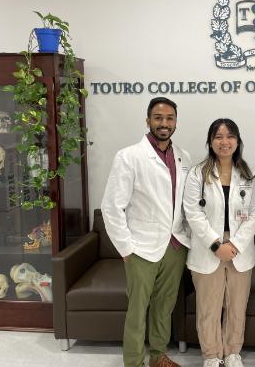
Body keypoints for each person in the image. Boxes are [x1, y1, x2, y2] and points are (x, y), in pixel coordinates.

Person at [101, 97, 191, 367]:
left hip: (175, 246)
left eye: (170, 118)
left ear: (175, 121)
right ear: (148, 120)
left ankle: (157, 356)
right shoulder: (129, 156)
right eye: (158, 118)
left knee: (165, 306)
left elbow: (185, 204)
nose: (164, 123)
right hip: (140, 247)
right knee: (138, 310)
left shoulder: (183, 157)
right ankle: (133, 362)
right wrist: (126, 249)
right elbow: (111, 206)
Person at [183, 118, 255, 367]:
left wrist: (235, 244)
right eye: (218, 136)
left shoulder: (248, 175)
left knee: (237, 305)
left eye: (230, 136)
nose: (224, 142)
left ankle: (232, 353)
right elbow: (192, 212)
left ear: (237, 142)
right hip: (209, 248)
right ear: (210, 141)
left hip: (240, 248)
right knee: (208, 306)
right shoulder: (198, 173)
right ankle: (211, 355)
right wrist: (216, 245)